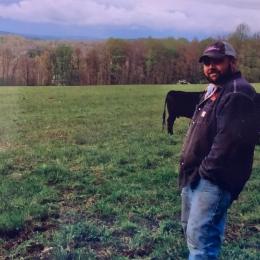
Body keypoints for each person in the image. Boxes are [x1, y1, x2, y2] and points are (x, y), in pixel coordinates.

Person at [179, 41, 257, 259]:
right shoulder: (215, 90)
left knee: (202, 240)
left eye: (217, 61)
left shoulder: (237, 93)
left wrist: (204, 173)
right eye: (206, 62)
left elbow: (228, 143)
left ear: (232, 62)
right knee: (195, 234)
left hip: (214, 180)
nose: (210, 67)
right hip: (196, 177)